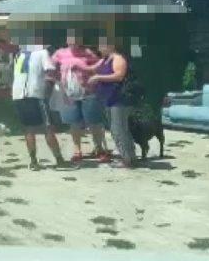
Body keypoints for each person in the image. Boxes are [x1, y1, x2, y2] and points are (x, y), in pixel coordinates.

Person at [10, 38, 67, 169]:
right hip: (36, 94)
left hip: (18, 95)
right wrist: (48, 92)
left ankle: (33, 161)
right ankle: (59, 160)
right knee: (47, 128)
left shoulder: (19, 55)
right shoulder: (42, 52)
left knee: (29, 128)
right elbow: (50, 72)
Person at [51, 31, 107, 163]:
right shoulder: (59, 53)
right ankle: (77, 150)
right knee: (74, 123)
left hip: (89, 92)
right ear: (67, 40)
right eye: (71, 39)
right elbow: (50, 68)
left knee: (94, 122)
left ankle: (99, 149)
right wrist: (58, 79)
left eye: (77, 39)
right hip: (69, 94)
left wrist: (89, 71)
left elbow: (100, 67)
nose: (74, 42)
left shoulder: (88, 53)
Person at [85, 37, 134, 168]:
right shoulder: (105, 60)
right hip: (109, 100)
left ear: (111, 46)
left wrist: (98, 77)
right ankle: (129, 156)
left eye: (102, 46)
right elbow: (91, 68)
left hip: (119, 100)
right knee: (116, 129)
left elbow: (119, 75)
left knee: (118, 129)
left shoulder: (118, 58)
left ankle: (127, 159)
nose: (99, 48)